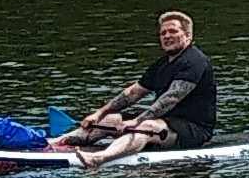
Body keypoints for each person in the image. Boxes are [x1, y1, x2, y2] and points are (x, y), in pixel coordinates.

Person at [50, 11, 217, 168]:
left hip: (193, 129)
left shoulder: (195, 61)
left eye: (172, 31)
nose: (167, 36)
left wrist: (137, 121)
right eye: (163, 33)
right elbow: (134, 93)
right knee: (111, 119)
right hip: (165, 123)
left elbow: (170, 99)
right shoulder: (162, 64)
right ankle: (55, 143)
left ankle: (98, 158)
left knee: (147, 125)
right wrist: (99, 114)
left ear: (187, 35)